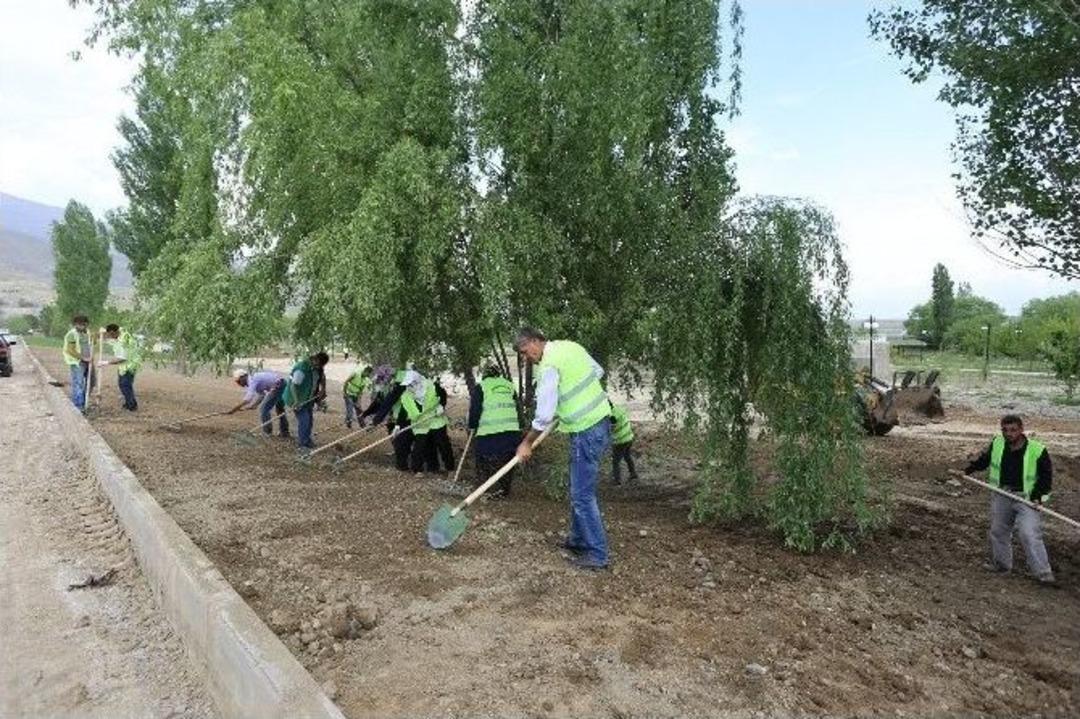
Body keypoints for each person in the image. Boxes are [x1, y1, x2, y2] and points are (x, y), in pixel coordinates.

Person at [513, 327, 611, 571]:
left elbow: (544, 415)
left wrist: (526, 442)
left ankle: (597, 554)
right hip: (600, 422)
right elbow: (598, 371)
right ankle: (577, 541)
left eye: (526, 352)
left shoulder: (549, 366)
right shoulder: (570, 347)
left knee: (582, 495)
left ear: (536, 341)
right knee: (579, 489)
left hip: (586, 430)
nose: (527, 358)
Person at [964, 414, 1055, 585]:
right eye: (1005, 430)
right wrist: (968, 470)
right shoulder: (998, 443)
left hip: (1026, 498)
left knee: (1029, 533)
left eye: (1013, 430)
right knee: (998, 531)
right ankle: (1002, 566)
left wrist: (1038, 496)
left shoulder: (1037, 449)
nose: (1009, 434)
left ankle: (1044, 574)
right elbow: (985, 461)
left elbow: (1046, 477)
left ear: (1021, 430)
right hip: (1002, 494)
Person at [467, 364, 521, 496]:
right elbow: (517, 408)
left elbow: (475, 410)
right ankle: (504, 490)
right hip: (512, 431)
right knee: (507, 461)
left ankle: (485, 489)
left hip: (489, 432)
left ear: (485, 375)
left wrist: (472, 425)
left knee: (484, 459)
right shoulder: (509, 386)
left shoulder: (482, 386)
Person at [398, 369, 454, 474]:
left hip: (436, 420)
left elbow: (443, 395)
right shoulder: (406, 395)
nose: (409, 387)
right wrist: (398, 426)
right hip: (420, 424)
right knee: (419, 446)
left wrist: (441, 405)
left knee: (443, 444)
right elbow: (403, 411)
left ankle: (450, 468)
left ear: (417, 381)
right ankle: (417, 470)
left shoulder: (432, 386)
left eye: (411, 384)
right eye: (408, 385)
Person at [283, 351, 329, 450]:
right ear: (315, 359)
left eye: (321, 366)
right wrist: (296, 401)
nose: (319, 367)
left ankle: (307, 440)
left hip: (308, 399)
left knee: (310, 421)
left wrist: (323, 389)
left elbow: (322, 377)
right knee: (304, 420)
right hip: (296, 398)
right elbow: (293, 386)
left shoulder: (318, 367)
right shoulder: (301, 369)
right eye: (318, 365)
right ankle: (302, 445)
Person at [229, 369, 289, 437]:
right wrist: (254, 405)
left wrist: (234, 409)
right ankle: (285, 432)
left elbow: (248, 399)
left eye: (239, 381)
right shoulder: (254, 380)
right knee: (280, 409)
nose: (239, 384)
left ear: (244, 376)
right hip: (282, 383)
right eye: (237, 382)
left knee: (264, 409)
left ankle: (267, 433)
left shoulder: (252, 380)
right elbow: (262, 395)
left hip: (278, 385)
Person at [99, 324, 142, 411]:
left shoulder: (123, 341)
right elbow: (113, 337)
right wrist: (103, 332)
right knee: (124, 385)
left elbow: (122, 358)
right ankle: (129, 403)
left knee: (125, 385)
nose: (110, 337)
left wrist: (105, 362)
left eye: (111, 335)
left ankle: (132, 406)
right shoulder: (121, 333)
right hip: (126, 366)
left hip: (129, 365)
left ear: (113, 332)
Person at [62, 315, 94, 411]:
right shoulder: (71, 334)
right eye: (80, 324)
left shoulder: (87, 333)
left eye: (84, 324)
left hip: (89, 362)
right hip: (77, 363)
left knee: (91, 382)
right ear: (75, 324)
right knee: (78, 383)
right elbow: (70, 350)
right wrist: (83, 358)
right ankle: (78, 406)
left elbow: (93, 341)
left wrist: (101, 334)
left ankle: (84, 402)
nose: (82, 326)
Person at [609, 402, 638, 485]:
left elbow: (611, 428)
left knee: (615, 461)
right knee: (627, 456)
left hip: (620, 441)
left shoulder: (612, 416)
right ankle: (633, 474)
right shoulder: (619, 409)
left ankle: (617, 481)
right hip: (629, 437)